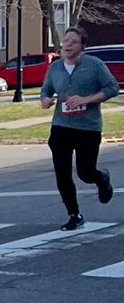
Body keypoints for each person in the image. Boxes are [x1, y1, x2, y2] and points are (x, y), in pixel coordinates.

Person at [39, 28, 118, 229]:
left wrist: (86, 99)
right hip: (61, 126)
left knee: (85, 172)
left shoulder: (94, 65)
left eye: (73, 42)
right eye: (66, 41)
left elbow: (112, 88)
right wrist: (45, 100)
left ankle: (102, 178)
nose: (67, 45)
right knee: (62, 172)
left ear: (82, 46)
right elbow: (46, 90)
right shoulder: (55, 68)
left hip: (88, 127)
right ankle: (74, 214)